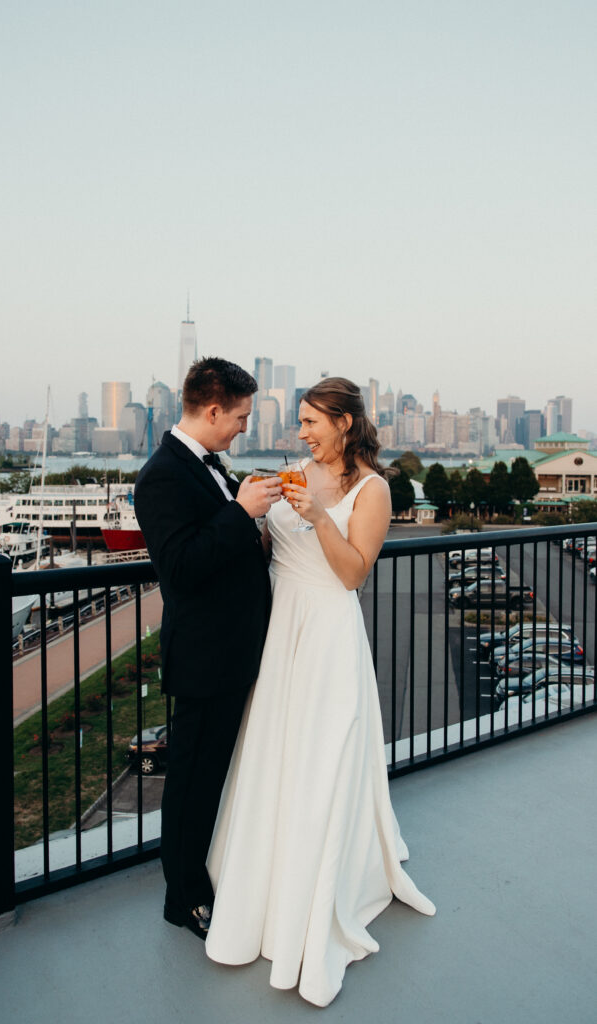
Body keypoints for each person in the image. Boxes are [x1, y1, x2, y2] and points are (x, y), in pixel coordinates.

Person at [205, 376, 435, 1006]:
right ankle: (266, 879)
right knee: (276, 750)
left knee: (323, 756)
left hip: (330, 632)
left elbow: (354, 572)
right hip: (282, 632)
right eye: (300, 422)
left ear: (344, 423)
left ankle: (320, 883)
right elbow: (265, 547)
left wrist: (313, 518)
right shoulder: (294, 473)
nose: (300, 432)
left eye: (311, 422)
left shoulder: (373, 489)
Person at [134, 357, 282, 941]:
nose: (245, 426)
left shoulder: (210, 465)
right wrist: (240, 512)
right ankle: (185, 897)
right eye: (241, 417)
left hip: (235, 651)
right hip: (205, 658)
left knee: (218, 775)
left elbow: (222, 543)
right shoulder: (162, 475)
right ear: (214, 409)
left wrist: (258, 529)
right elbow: (181, 568)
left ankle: (213, 873)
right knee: (192, 784)